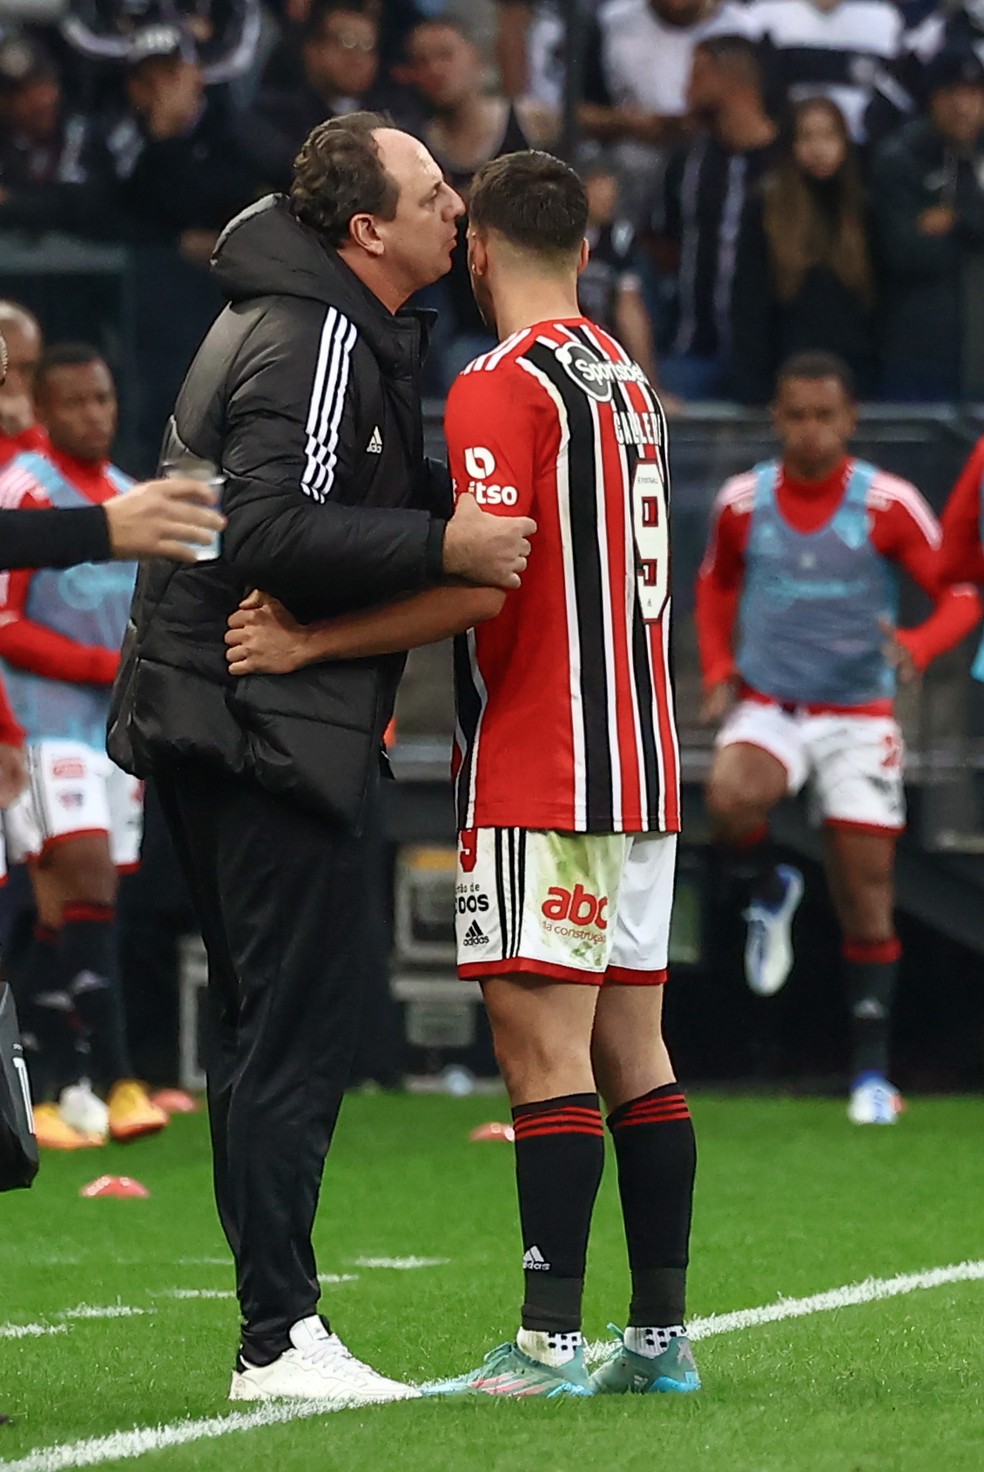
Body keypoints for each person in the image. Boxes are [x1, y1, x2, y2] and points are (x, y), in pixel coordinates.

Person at [225, 149, 699, 1400]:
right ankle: (659, 1340)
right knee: (633, 1050)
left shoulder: (501, 380)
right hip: (643, 760)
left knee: (542, 1056)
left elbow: (489, 568)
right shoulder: (627, 377)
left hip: (545, 760)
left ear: (479, 251)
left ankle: (548, 1343)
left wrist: (313, 637)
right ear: (583, 251)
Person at [107, 112, 535, 1404]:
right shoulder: (319, 329)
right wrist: (443, 546)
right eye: (430, 191)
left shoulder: (309, 316)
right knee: (291, 1027)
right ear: (367, 229)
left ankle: (273, 1326)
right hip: (254, 719)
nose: (456, 205)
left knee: (261, 1027)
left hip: (219, 706)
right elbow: (273, 527)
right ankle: (278, 1338)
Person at [697, 351, 981, 1123]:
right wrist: (719, 664)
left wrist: (920, 646)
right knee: (728, 797)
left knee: (867, 891)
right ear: (776, 418)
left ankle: (871, 1073)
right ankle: (768, 886)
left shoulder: (887, 504)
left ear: (851, 419)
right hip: (772, 705)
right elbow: (715, 581)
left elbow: (959, 587)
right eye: (796, 415)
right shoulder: (741, 502)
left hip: (857, 716)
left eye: (826, 415)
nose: (811, 431)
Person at [0, 344, 172, 1149]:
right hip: (41, 725)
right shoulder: (25, 491)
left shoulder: (135, 498)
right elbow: (4, 622)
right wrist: (106, 666)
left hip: (115, 731)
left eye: (103, 399)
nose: (94, 416)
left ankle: (52, 1078)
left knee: (77, 904)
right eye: (75, 404)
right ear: (44, 407)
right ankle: (116, 1074)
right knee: (85, 876)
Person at [650, 35, 779, 400]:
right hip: (690, 351)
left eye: (697, 74)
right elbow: (659, 239)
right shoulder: (687, 159)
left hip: (769, 360)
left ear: (731, 79)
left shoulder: (786, 160)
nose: (686, 88)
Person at [732, 96, 876, 404]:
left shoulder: (863, 210)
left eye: (829, 136)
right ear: (790, 145)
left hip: (855, 378)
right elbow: (749, 303)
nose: (818, 148)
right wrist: (755, 390)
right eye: (806, 137)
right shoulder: (765, 208)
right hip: (783, 376)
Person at [870, 50, 984, 402]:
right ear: (931, 99)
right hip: (920, 351)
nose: (962, 106)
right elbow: (907, 252)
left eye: (974, 93)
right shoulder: (901, 157)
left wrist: (958, 220)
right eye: (951, 94)